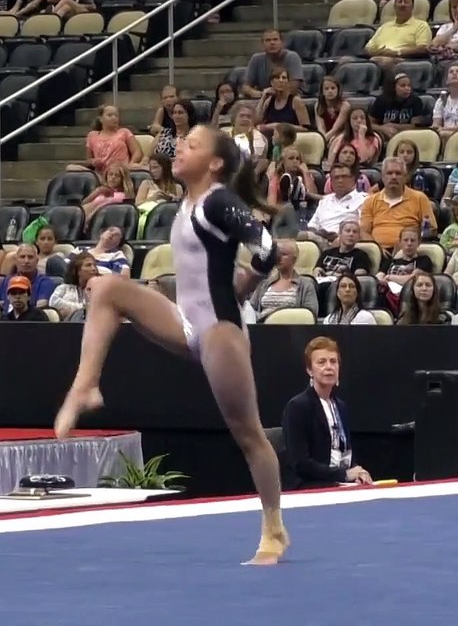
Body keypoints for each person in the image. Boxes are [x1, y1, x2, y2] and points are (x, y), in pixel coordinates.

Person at [53, 124, 288, 566]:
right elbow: (168, 148)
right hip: (186, 321)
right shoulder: (189, 199)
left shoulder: (218, 200)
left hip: (220, 330)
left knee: (249, 434)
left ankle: (273, 528)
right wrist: (174, 142)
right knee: (104, 289)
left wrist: (244, 285)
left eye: (192, 145)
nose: (181, 148)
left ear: (215, 164)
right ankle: (86, 386)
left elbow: (269, 248)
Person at [281, 337, 374, 490]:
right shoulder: (297, 406)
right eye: (321, 362)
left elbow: (344, 451)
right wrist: (343, 474)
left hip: (340, 482)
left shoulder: (341, 406)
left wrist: (358, 471)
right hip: (310, 486)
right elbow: (300, 463)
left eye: (333, 361)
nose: (329, 367)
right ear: (309, 370)